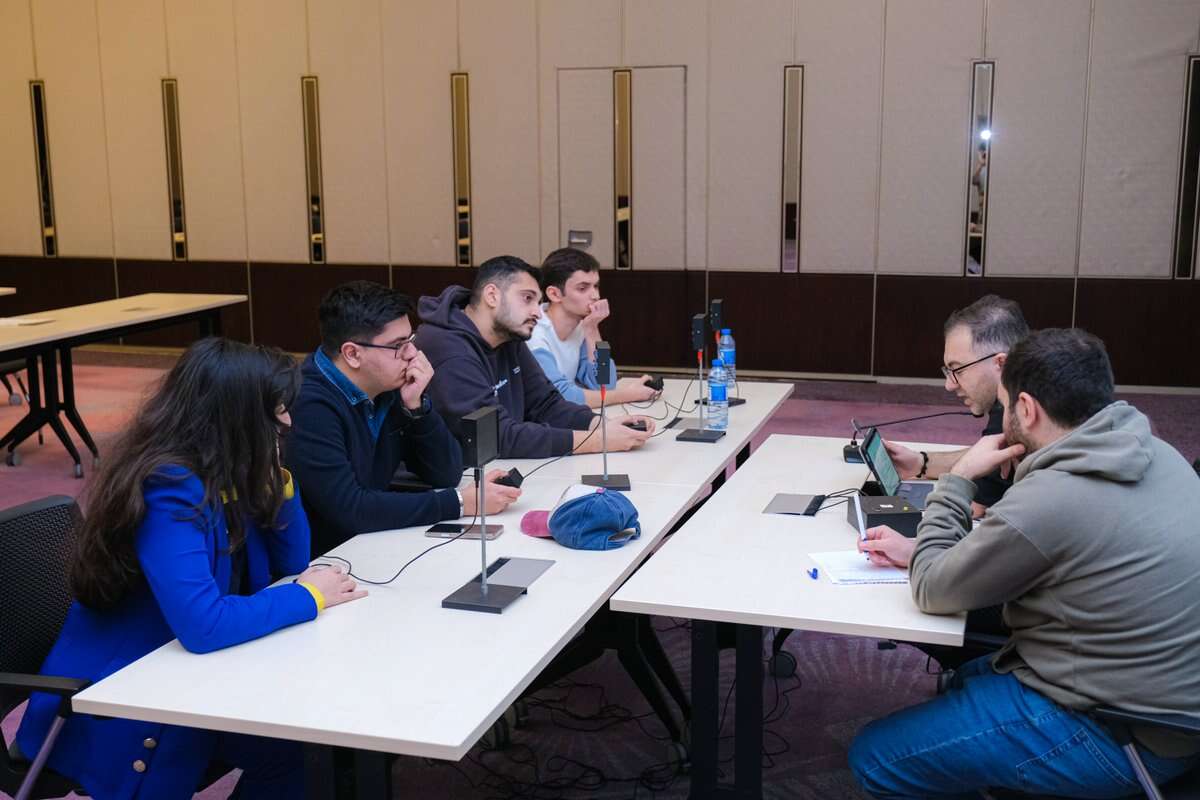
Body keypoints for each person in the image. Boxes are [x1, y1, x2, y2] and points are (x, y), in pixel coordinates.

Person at [850, 329, 1200, 799]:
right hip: (1171, 709)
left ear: (1028, 409)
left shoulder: (1052, 496)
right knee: (967, 678)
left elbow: (932, 588)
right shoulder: (1158, 453)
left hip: (1121, 733)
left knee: (874, 758)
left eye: (1005, 406)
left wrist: (957, 478)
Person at [16, 338, 366, 799]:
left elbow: (291, 566)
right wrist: (310, 596)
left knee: (301, 748)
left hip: (188, 675)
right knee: (297, 748)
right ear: (237, 417)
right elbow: (205, 625)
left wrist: (278, 483)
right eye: (277, 410)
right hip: (119, 701)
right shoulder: (170, 488)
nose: (287, 423)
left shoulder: (226, 471)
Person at [285, 281, 520, 557]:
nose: (412, 354)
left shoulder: (388, 385)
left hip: (376, 542)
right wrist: (459, 503)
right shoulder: (309, 405)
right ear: (352, 354)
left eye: (410, 340)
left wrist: (417, 408)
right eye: (397, 345)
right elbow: (350, 509)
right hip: (328, 558)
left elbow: (445, 473)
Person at [418, 255, 655, 459]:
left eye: (596, 287)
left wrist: (602, 425)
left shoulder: (520, 334)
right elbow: (497, 435)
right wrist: (600, 438)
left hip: (504, 461)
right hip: (469, 476)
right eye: (527, 298)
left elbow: (553, 401)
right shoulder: (452, 348)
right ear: (492, 296)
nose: (594, 296)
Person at [885, 294, 1029, 519]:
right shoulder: (1030, 387)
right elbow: (984, 455)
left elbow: (971, 509)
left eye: (958, 370)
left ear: (1001, 363)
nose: (949, 385)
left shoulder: (1016, 411)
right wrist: (921, 463)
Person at [529, 247, 659, 407]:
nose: (595, 296)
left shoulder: (581, 326)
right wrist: (628, 395)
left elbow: (604, 384)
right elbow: (559, 396)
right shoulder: (533, 333)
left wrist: (592, 329)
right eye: (582, 288)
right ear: (554, 294)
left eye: (596, 286)